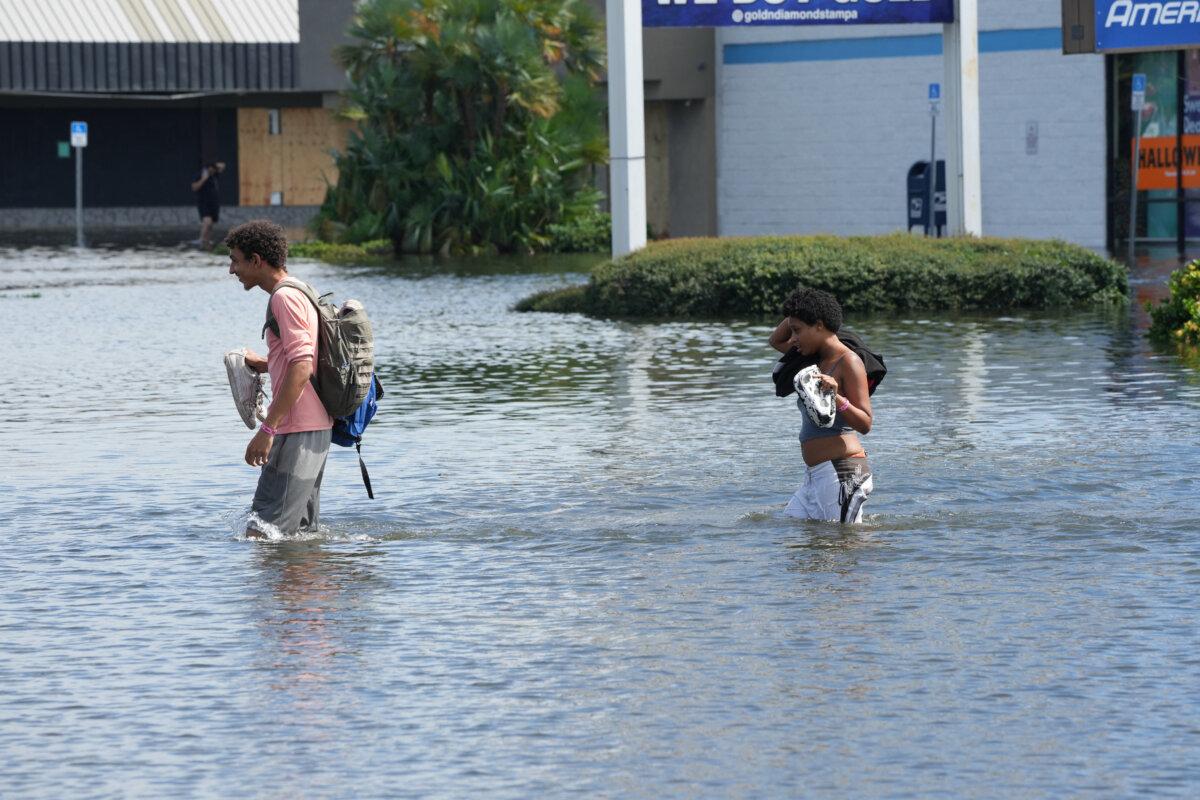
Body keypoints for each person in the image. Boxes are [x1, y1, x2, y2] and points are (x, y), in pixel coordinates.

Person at [226, 220, 333, 539]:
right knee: (300, 535)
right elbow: (296, 358)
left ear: (256, 260)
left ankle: (284, 591)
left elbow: (302, 366)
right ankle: (306, 588)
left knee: (261, 534)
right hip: (310, 427)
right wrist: (261, 363)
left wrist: (267, 429)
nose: (232, 269)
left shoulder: (284, 298)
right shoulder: (299, 291)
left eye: (236, 260)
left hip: (297, 429)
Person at [769, 287, 874, 523]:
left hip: (843, 472)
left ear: (819, 325)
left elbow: (866, 423)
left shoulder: (850, 361)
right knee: (796, 537)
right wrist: (799, 309)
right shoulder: (811, 357)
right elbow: (776, 340)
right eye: (792, 329)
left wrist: (837, 397)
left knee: (846, 548)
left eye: (797, 331)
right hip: (816, 475)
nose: (793, 338)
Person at [190, 160, 226, 249]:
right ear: (207, 168)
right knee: (207, 221)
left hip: (214, 203)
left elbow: (222, 166)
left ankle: (207, 240)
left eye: (214, 169)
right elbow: (194, 187)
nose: (213, 170)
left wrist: (215, 167)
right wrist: (204, 178)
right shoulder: (200, 175)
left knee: (211, 223)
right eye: (211, 169)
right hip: (203, 202)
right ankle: (201, 239)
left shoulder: (214, 175)